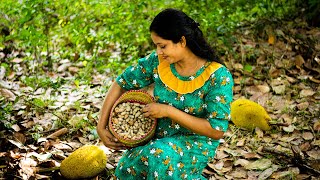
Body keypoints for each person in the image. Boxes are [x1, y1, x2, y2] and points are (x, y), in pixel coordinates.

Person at [97, 8, 234, 179]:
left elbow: (216, 130)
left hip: (196, 144)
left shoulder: (217, 76)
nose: (158, 52)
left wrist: (168, 111)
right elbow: (121, 82)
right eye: (156, 46)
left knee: (160, 157)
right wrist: (101, 126)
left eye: (162, 46)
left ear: (182, 41)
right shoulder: (159, 62)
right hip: (156, 140)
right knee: (127, 168)